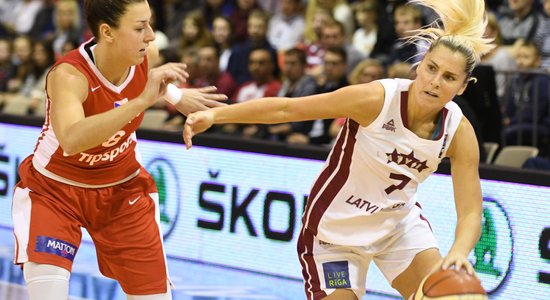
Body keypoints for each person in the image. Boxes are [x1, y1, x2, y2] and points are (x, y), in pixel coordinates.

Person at [183, 0, 493, 299]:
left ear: (462, 87)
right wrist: (216, 115)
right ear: (419, 66)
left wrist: (457, 255)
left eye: (449, 77)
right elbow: (287, 110)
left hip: (397, 228)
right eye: (431, 69)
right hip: (335, 233)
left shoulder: (458, 132)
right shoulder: (377, 99)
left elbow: (470, 212)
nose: (435, 82)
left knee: (446, 296)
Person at [11, 1, 227, 300]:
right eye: (140, 28)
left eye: (150, 24)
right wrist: (140, 103)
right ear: (106, 32)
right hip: (56, 191)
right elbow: (72, 140)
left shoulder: (146, 55)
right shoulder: (69, 75)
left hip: (121, 190)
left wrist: (176, 96)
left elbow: (149, 85)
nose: (151, 35)